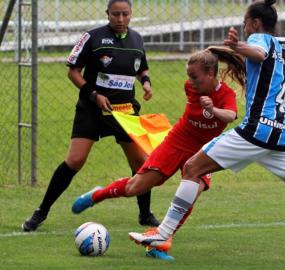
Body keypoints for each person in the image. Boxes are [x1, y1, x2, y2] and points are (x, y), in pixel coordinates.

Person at [128, 1, 285, 269]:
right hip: (284, 137)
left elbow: (259, 53)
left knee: (191, 168)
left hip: (256, 131)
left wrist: (238, 48)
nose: (245, 27)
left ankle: (163, 235)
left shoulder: (260, 39)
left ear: (256, 23)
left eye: (246, 22)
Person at [71, 46, 245, 260]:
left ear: (211, 74)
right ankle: (97, 194)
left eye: (195, 77)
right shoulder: (191, 88)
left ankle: (158, 243)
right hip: (177, 142)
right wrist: (207, 107)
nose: (190, 82)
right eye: (189, 77)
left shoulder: (225, 94)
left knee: (190, 194)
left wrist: (213, 110)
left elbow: (230, 115)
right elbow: (206, 106)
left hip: (202, 151)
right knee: (136, 186)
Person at [22, 0, 160, 232]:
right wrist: (94, 95)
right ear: (107, 14)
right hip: (92, 109)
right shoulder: (92, 37)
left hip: (124, 111)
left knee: (140, 163)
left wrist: (146, 83)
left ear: (131, 14)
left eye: (125, 14)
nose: (120, 18)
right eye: (115, 14)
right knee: (75, 160)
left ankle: (145, 214)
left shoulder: (137, 39)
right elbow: (73, 71)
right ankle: (41, 212)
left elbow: (141, 67)